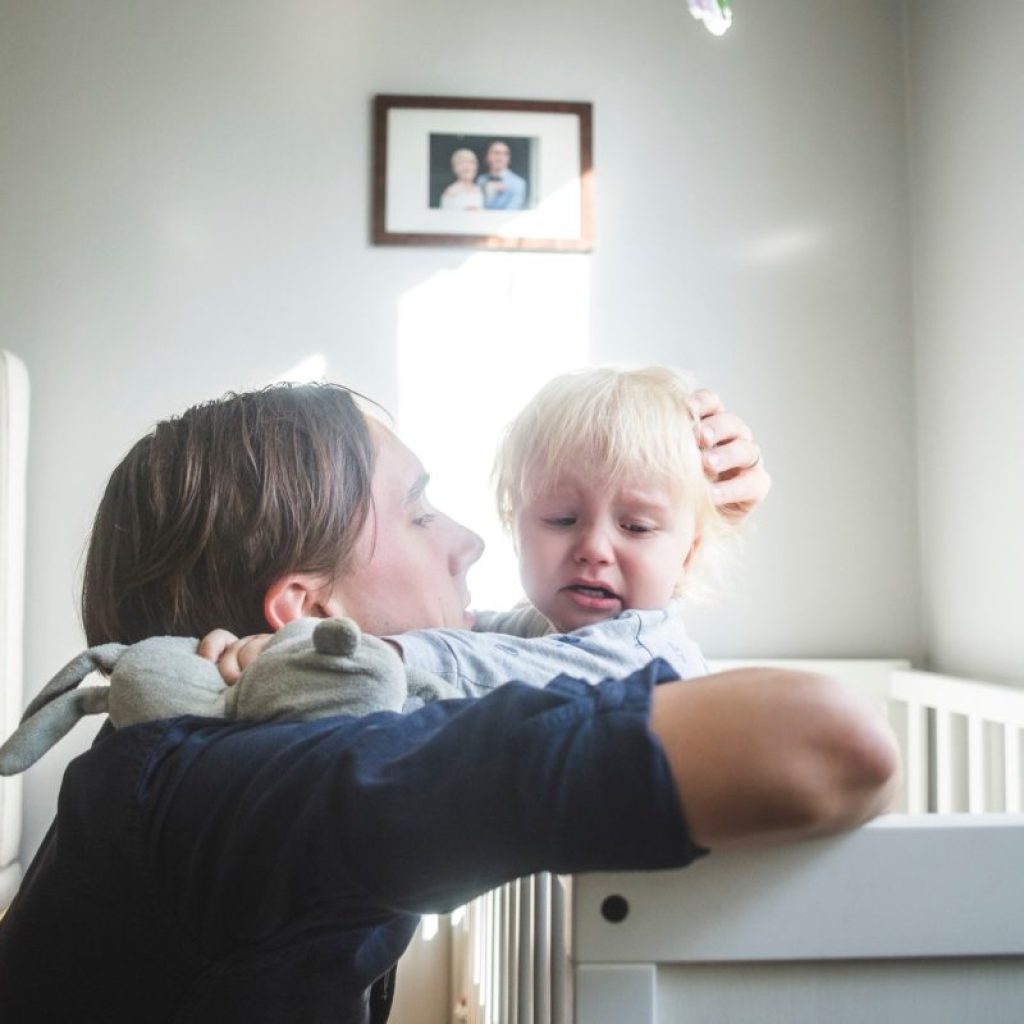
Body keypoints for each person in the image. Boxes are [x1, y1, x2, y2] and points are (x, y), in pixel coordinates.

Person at [0, 383, 897, 1023]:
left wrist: (695, 507)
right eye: (423, 512)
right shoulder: (276, 788)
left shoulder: (181, 770)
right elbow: (831, 741)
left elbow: (540, 653)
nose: (470, 542)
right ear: (311, 614)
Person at [477, 140, 527, 210]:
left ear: (509, 158)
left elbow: (512, 210)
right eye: (496, 153)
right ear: (487, 156)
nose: (500, 157)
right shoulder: (481, 180)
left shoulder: (519, 183)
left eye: (505, 154)